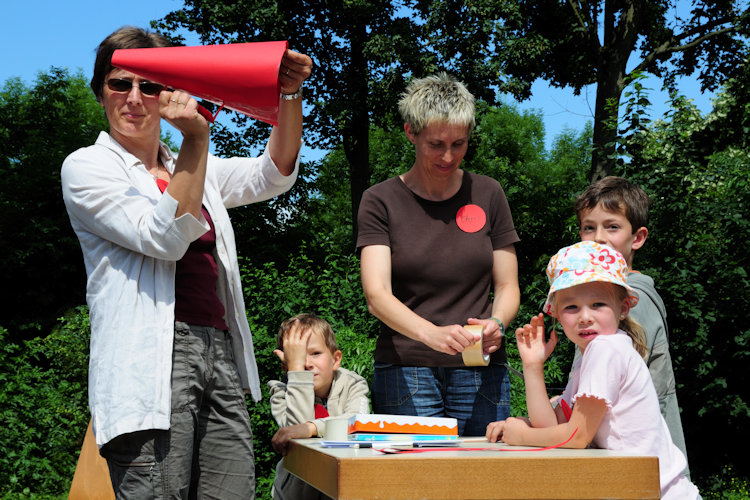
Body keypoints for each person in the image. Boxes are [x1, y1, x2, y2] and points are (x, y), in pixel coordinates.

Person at [60, 26, 312, 499]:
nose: (134, 98)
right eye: (120, 83)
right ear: (100, 93)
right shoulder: (87, 167)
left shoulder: (191, 168)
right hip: (151, 362)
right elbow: (163, 237)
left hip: (218, 349)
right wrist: (197, 140)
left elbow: (273, 173)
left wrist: (289, 95)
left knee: (232, 491)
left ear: (167, 93)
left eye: (149, 85)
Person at [356, 73, 520, 436]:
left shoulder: (489, 193)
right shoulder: (380, 200)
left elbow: (508, 286)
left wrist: (499, 324)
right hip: (406, 370)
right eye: (436, 143)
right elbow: (376, 295)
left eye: (459, 143)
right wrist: (431, 335)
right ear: (410, 132)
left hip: (482, 367)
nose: (449, 156)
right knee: (415, 487)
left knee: (483, 481)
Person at [486, 241, 700, 499]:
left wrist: (523, 436)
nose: (585, 316)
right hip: (638, 489)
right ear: (557, 314)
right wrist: (533, 367)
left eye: (598, 304)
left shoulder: (606, 350)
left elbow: (576, 437)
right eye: (571, 307)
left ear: (622, 309)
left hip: (658, 493)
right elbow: (553, 425)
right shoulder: (588, 355)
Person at [574, 175, 690, 475]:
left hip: (651, 472)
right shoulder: (593, 300)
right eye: (589, 227)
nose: (598, 237)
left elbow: (623, 401)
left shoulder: (634, 298)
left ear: (637, 238)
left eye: (612, 226)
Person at [268, 314, 370, 500]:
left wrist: (312, 427)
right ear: (286, 367)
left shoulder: (353, 385)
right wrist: (297, 372)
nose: (306, 364)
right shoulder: (281, 393)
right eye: (297, 358)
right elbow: (298, 438)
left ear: (336, 359)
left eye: (315, 353)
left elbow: (358, 423)